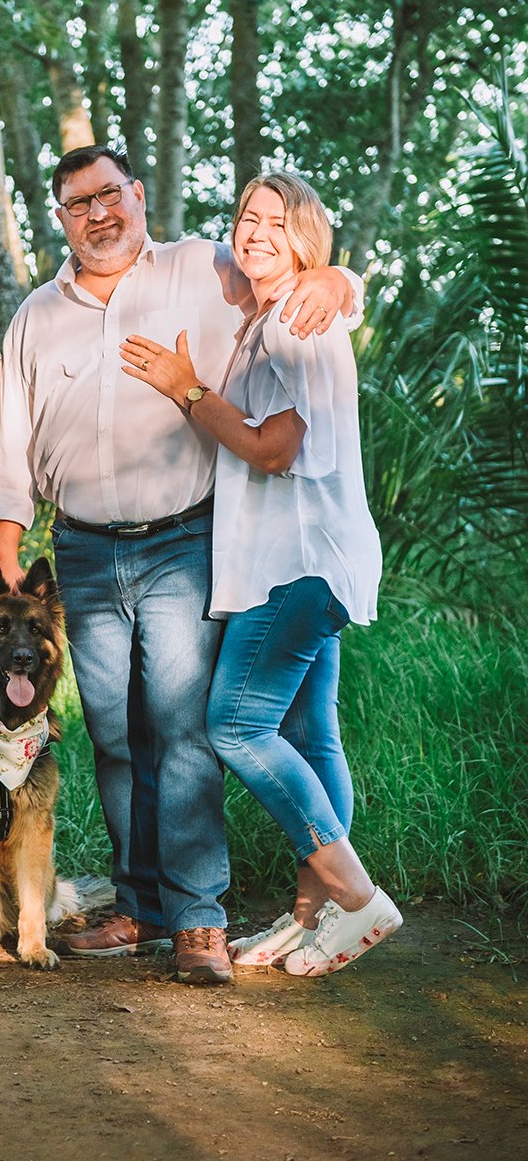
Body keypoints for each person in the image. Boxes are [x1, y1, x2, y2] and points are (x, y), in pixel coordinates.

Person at [0, 143, 363, 984]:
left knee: (187, 731)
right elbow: (8, 442)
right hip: (78, 548)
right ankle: (141, 908)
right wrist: (7, 545)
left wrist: (342, 282)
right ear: (61, 217)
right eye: (78, 204)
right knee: (116, 737)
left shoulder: (202, 267)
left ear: (137, 194)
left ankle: (197, 917)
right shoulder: (35, 316)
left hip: (182, 543)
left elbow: (293, 269)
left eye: (109, 195)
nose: (98, 215)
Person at [121, 171, 401, 976]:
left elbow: (274, 451)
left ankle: (356, 898)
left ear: (304, 239)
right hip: (311, 559)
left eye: (275, 222)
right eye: (246, 217)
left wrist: (187, 391)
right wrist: (338, 279)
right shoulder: (274, 316)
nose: (254, 232)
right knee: (311, 737)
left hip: (297, 563)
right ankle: (312, 919)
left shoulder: (292, 319)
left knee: (235, 726)